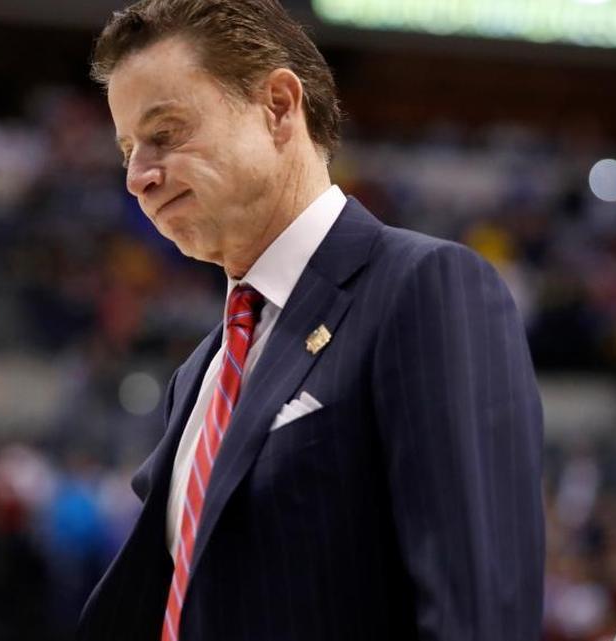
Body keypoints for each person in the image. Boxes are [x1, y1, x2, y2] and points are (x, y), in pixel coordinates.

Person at [78, 1, 546, 639]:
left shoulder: (424, 288)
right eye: (128, 150)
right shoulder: (198, 374)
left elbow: (479, 616)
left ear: (277, 106)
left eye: (165, 132)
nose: (138, 177)